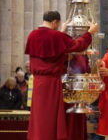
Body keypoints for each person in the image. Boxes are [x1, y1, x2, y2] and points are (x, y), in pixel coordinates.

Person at [24, 11, 98, 140]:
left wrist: (61, 32)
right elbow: (77, 46)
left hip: (38, 83)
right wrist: (90, 33)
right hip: (52, 83)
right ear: (55, 22)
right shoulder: (56, 36)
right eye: (58, 25)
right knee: (51, 118)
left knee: (40, 117)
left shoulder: (33, 35)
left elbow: (53, 46)